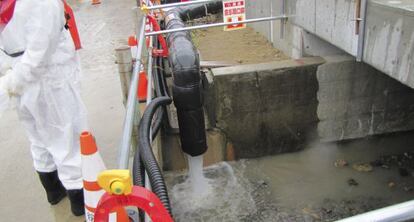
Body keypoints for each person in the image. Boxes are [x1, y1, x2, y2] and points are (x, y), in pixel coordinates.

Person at [0, 0, 87, 216]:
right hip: (49, 76)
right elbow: (41, 50)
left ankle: (54, 191)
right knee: (66, 136)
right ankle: (80, 202)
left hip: (17, 75)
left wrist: (11, 79)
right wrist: (17, 79)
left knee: (38, 137)